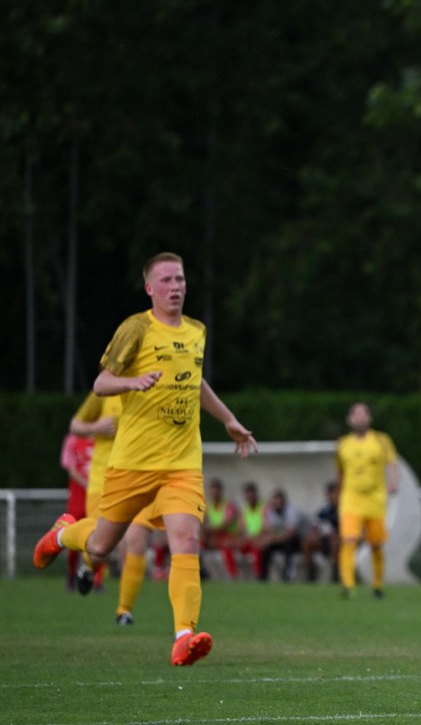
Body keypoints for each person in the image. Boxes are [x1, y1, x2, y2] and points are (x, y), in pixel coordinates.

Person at [33, 252, 256, 666]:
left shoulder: (197, 331)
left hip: (182, 464)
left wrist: (229, 419)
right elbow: (101, 383)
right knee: (101, 545)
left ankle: (183, 636)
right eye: (166, 280)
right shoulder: (136, 328)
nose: (175, 287)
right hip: (133, 463)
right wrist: (132, 382)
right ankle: (62, 535)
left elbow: (196, 381)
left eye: (180, 279)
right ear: (149, 288)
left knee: (186, 540)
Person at [335, 402, 399, 599]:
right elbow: (340, 472)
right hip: (351, 499)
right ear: (349, 420)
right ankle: (348, 586)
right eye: (356, 414)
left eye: (363, 414)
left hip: (375, 500)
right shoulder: (343, 444)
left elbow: (393, 464)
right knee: (349, 540)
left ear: (369, 418)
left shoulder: (381, 440)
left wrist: (393, 482)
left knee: (376, 545)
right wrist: (339, 493)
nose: (360, 417)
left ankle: (377, 585)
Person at [59, 428, 95, 591]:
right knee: (73, 533)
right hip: (79, 496)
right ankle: (71, 574)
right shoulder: (72, 439)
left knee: (98, 535)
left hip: (97, 494)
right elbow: (71, 469)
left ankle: (96, 579)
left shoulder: (103, 438)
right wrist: (89, 485)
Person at [254, 488, 305, 582]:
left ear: (284, 501)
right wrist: (268, 540)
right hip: (279, 539)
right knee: (265, 547)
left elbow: (291, 533)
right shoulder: (271, 511)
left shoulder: (291, 511)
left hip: (297, 540)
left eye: (279, 501)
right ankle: (263, 575)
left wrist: (272, 539)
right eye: (275, 501)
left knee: (288, 544)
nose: (277, 503)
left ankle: (287, 575)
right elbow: (269, 531)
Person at [203, 478, 243, 579]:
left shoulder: (228, 505)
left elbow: (226, 523)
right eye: (213, 491)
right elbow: (204, 521)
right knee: (198, 544)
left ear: (220, 491)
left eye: (217, 491)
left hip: (228, 534)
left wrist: (211, 530)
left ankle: (233, 576)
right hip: (215, 535)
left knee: (226, 547)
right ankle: (200, 572)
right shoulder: (208, 506)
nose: (215, 494)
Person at [302, 481, 341, 583]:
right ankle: (311, 572)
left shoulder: (345, 509)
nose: (332, 497)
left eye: (334, 493)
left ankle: (336, 573)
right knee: (308, 542)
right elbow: (316, 524)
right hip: (324, 540)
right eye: (329, 494)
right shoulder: (325, 511)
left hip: (340, 542)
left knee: (334, 540)